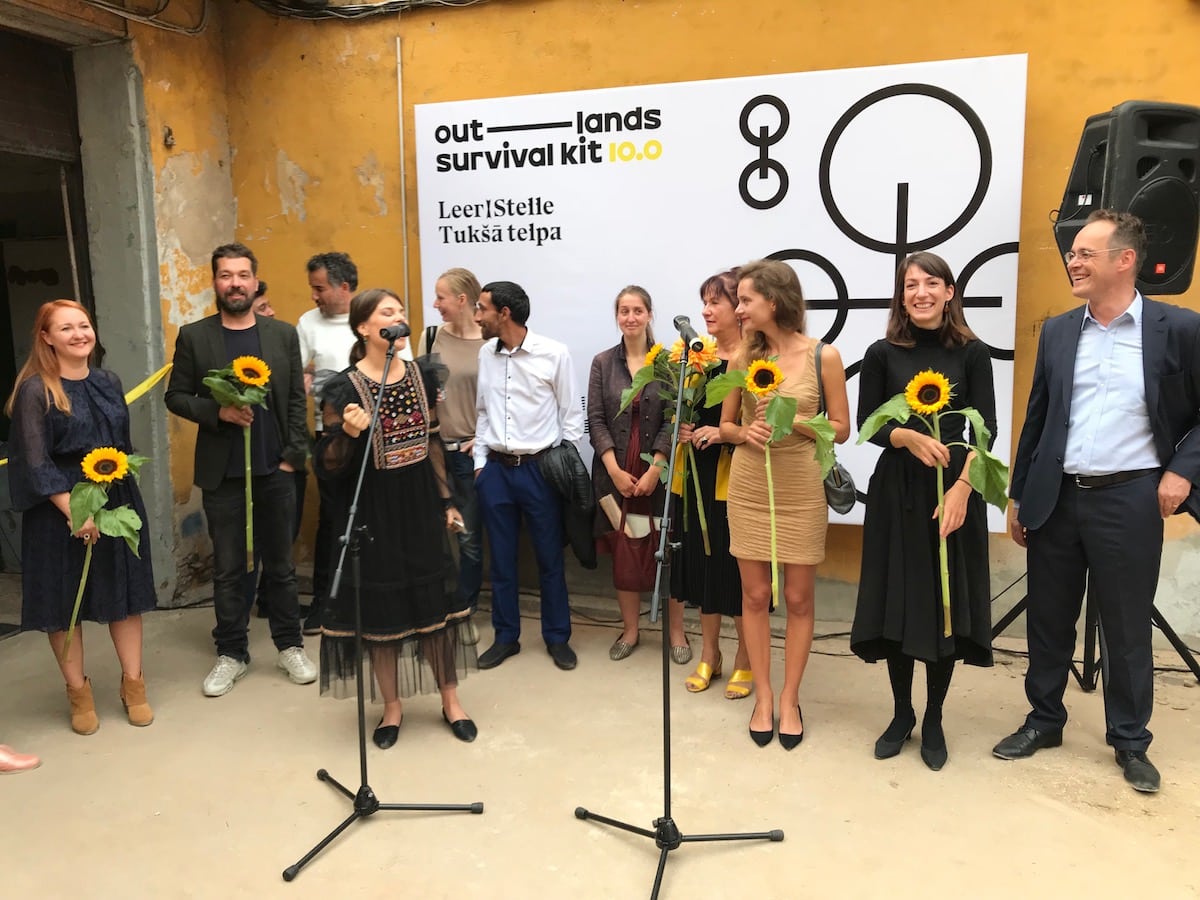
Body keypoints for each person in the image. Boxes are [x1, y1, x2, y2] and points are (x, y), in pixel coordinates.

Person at [994, 210, 1200, 794]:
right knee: (1048, 618)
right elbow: (1039, 417)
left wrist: (1181, 472)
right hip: (1058, 496)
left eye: (1085, 253)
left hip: (1130, 498)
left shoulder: (1180, 329)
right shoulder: (1060, 331)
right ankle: (1044, 720)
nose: (1073, 262)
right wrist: (1019, 494)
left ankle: (1130, 740)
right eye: (1072, 253)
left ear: (1124, 260)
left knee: (1126, 625)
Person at [850, 252, 996, 771]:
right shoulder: (881, 353)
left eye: (931, 283)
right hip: (897, 493)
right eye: (910, 285)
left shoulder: (973, 353)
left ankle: (934, 717)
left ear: (949, 292)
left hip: (952, 490)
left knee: (943, 603)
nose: (921, 293)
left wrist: (962, 489)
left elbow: (985, 431)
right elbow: (869, 424)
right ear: (902, 296)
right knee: (898, 598)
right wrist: (906, 436)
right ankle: (901, 713)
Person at [316, 288, 478, 746]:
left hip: (420, 502)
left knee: (435, 606)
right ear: (364, 328)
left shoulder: (422, 375)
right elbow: (326, 464)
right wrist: (348, 435)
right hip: (374, 510)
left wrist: (446, 502)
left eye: (402, 311)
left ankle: (451, 700)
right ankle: (391, 708)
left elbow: (433, 443)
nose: (400, 318)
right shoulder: (344, 387)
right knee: (381, 615)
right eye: (387, 313)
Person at [165, 243, 317, 697]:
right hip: (224, 476)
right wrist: (218, 412)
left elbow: (296, 400)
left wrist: (292, 457)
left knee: (282, 566)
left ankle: (290, 646)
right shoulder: (195, 336)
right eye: (226, 275)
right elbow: (176, 396)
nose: (235, 283)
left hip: (276, 470)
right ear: (215, 282)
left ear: (254, 281)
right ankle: (231, 653)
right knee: (229, 568)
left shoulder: (281, 335)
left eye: (242, 275)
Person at [5, 300, 157, 732]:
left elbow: (122, 445)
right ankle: (78, 693)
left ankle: (133, 685)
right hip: (59, 505)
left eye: (84, 325)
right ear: (47, 337)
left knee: (124, 596)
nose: (79, 334)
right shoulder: (36, 390)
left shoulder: (108, 381)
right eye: (66, 328)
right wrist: (76, 511)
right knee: (63, 604)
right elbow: (35, 461)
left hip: (115, 496)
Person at [719, 260, 850, 748]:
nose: (738, 309)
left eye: (745, 300)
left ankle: (791, 698)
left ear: (773, 302)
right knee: (754, 596)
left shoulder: (824, 356)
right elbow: (726, 425)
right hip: (750, 484)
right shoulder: (740, 358)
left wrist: (789, 419)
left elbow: (841, 429)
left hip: (801, 484)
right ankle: (764, 696)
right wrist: (743, 433)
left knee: (798, 598)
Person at [473, 280, 585, 671]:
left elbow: (571, 416)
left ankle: (557, 638)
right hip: (496, 472)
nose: (477, 316)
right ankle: (506, 637)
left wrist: (561, 463)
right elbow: (483, 410)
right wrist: (480, 464)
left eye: (482, 308)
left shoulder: (554, 353)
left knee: (549, 559)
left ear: (504, 313)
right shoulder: (486, 354)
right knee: (501, 561)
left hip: (539, 471)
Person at [587, 285, 688, 662]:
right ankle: (630, 630)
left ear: (649, 315)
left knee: (667, 549)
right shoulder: (602, 362)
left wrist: (656, 467)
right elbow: (596, 418)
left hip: (658, 475)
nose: (630, 317)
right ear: (617, 316)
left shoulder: (669, 363)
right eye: (624, 311)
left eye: (637, 311)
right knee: (624, 550)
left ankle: (676, 632)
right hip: (615, 474)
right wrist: (613, 470)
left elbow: (674, 417)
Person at [674, 270, 751, 697]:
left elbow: (759, 424)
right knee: (703, 569)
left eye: (715, 301)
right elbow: (682, 411)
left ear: (739, 308)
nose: (706, 310)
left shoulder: (754, 361)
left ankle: (745, 657)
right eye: (704, 301)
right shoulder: (694, 357)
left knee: (737, 572)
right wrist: (682, 428)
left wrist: (722, 433)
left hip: (736, 477)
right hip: (696, 477)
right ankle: (709, 654)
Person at [417, 268, 487, 612]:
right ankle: (433, 602)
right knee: (429, 533)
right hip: (431, 452)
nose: (435, 304)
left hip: (468, 456)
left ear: (461, 300)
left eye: (440, 297)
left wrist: (485, 436)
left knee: (468, 537)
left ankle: (464, 607)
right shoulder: (431, 337)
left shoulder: (489, 341)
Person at [297, 252, 359, 635]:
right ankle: (324, 603)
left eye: (319, 288)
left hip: (373, 434)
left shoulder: (370, 316)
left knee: (374, 516)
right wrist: (311, 381)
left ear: (344, 287)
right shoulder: (308, 323)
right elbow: (296, 376)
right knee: (332, 520)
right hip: (330, 436)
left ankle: (369, 602)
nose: (314, 296)